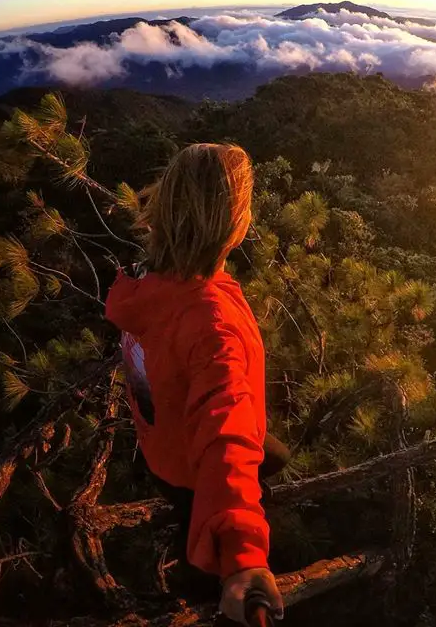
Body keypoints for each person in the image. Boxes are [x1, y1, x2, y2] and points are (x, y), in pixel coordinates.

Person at [105, 143, 286, 625]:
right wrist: (245, 558)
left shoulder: (149, 289)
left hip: (161, 448)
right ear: (236, 223)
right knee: (208, 547)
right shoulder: (212, 325)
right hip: (193, 467)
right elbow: (224, 433)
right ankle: (204, 589)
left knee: (275, 454)